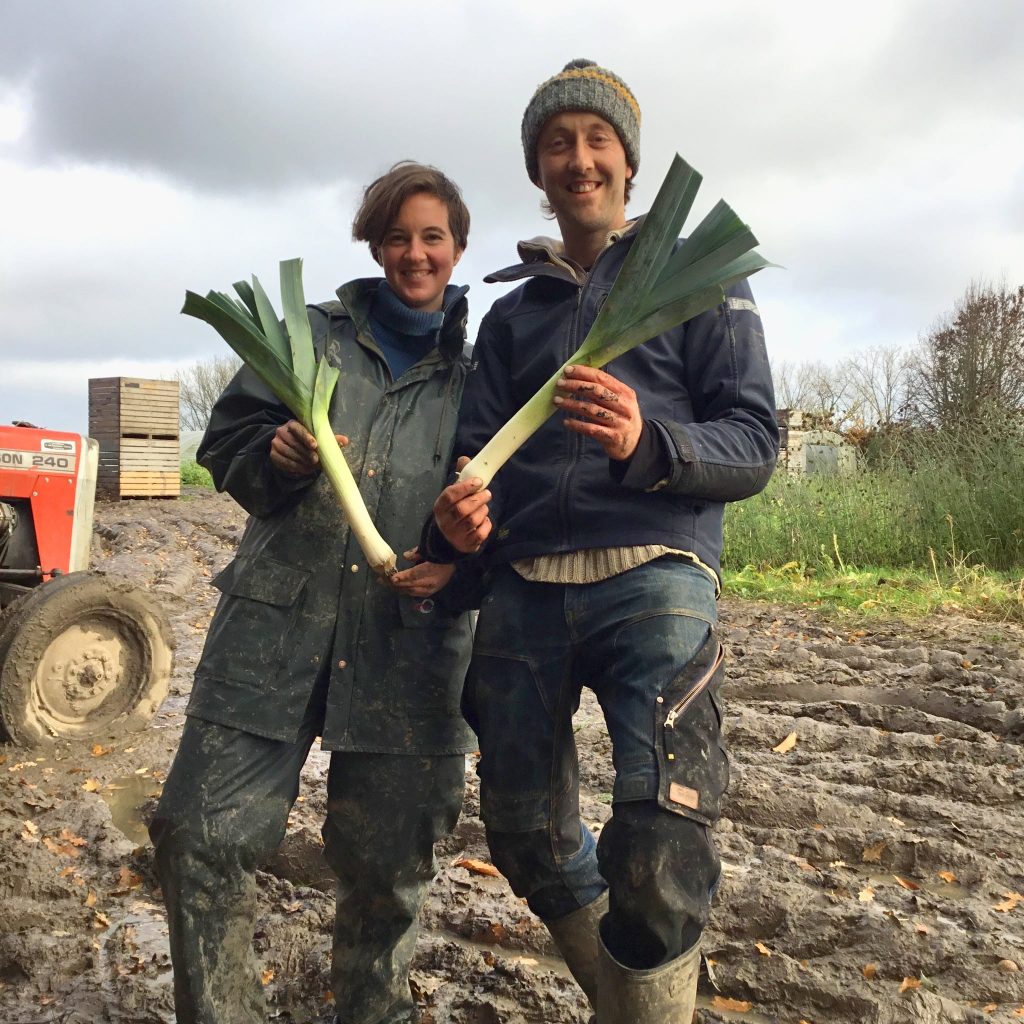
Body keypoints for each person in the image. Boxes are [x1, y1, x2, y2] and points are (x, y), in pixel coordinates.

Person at [424, 60, 779, 1022]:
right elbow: (471, 456)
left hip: (653, 577)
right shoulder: (513, 315)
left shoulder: (701, 283)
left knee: (661, 845)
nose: (578, 160)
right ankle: (639, 1007)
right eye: (557, 145)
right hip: (524, 591)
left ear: (628, 160)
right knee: (526, 837)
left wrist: (644, 440)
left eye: (596, 141)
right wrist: (456, 524)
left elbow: (754, 440)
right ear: (539, 170)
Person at [150, 161, 478, 1024]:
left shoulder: (481, 372)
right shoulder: (311, 336)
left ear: (458, 247)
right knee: (197, 832)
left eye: (432, 237)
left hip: (412, 642)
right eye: (398, 236)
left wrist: (463, 558)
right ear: (374, 244)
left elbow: (506, 506)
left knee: (386, 872)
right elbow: (228, 444)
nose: (415, 254)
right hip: (276, 627)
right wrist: (279, 457)